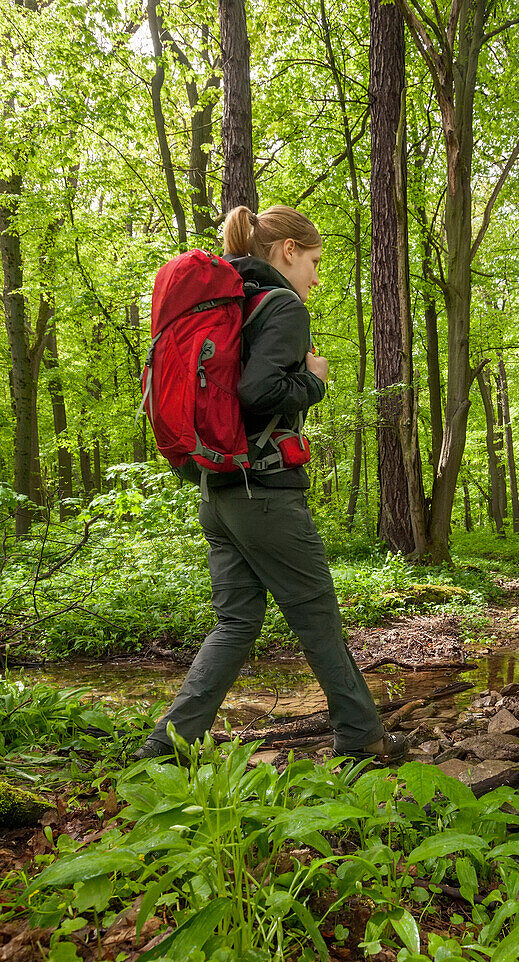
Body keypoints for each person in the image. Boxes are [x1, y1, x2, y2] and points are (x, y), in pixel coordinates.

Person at [134, 204, 404, 763]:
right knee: (317, 615)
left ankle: (167, 743)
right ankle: (361, 737)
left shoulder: (229, 304)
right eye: (313, 260)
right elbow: (258, 393)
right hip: (265, 494)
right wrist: (313, 381)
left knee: (236, 621)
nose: (315, 275)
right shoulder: (279, 305)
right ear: (286, 251)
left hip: (218, 490)